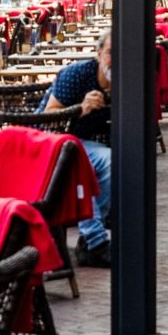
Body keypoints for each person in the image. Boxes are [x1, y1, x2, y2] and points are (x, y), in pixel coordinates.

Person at [43, 32, 116, 265]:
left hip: (82, 143)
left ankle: (88, 238)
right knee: (77, 157)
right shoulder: (76, 74)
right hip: (49, 142)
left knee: (112, 160)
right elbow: (48, 117)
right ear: (99, 54)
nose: (116, 59)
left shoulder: (127, 84)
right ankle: (95, 241)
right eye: (111, 53)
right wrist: (80, 109)